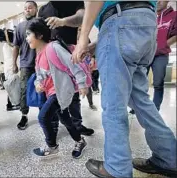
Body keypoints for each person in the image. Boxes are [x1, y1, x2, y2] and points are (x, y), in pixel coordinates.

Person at [73, 1, 177, 177]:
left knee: (114, 103)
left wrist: (83, 38)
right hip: (147, 22)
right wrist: (98, 42)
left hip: (120, 20)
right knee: (141, 102)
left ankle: (117, 167)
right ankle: (169, 158)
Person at [26, 18, 87, 158]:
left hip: (61, 91)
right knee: (66, 120)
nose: (26, 38)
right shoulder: (38, 56)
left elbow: (72, 63)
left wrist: (82, 83)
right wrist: (38, 85)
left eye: (29, 34)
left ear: (40, 35)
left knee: (43, 117)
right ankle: (80, 141)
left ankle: (51, 146)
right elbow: (39, 76)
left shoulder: (53, 48)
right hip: (52, 93)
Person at [38, 1, 95, 136]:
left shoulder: (73, 2)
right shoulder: (43, 9)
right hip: (50, 56)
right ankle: (54, 126)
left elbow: (82, 17)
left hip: (70, 53)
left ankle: (77, 125)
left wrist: (62, 21)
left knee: (74, 95)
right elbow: (39, 33)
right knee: (52, 93)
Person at [129, 0, 176, 115]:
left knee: (158, 83)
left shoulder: (174, 15)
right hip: (144, 55)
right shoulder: (146, 15)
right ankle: (137, 106)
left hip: (160, 55)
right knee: (139, 81)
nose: (158, 1)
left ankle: (155, 109)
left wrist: (162, 45)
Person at [12, 1, 37, 130]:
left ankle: (45, 113)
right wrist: (13, 63)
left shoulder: (41, 23)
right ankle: (24, 115)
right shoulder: (20, 27)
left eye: (30, 8)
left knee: (43, 89)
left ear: (36, 9)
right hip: (25, 64)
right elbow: (16, 46)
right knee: (23, 90)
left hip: (41, 62)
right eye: (26, 8)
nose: (28, 10)